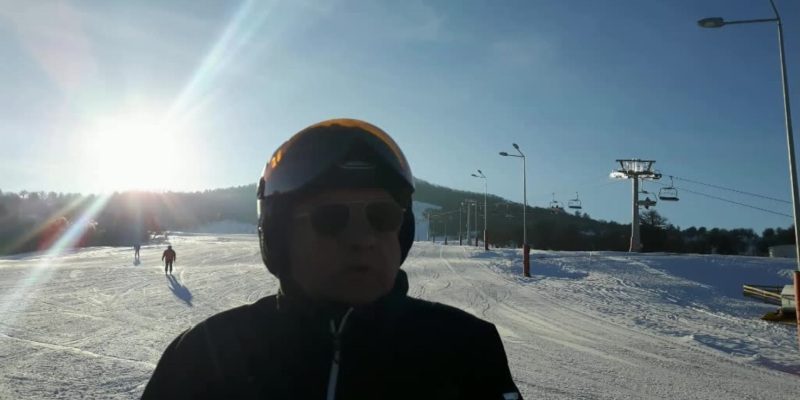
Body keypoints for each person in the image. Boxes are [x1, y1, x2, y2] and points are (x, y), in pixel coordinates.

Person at [143, 119, 523, 399]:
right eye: (330, 219)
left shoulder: (466, 347)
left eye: (382, 217)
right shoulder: (206, 356)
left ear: (403, 233)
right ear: (279, 237)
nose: (362, 239)